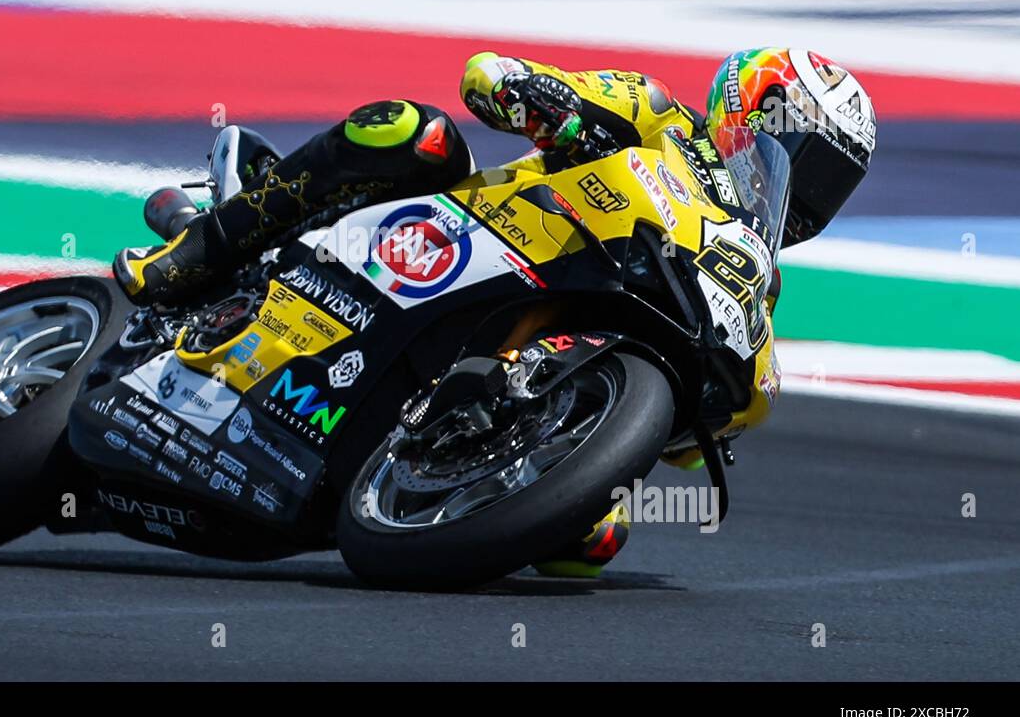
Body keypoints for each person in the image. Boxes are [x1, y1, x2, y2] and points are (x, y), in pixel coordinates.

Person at [113, 47, 878, 574]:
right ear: (755, 108)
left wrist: (690, 420)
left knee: (592, 545)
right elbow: (490, 76)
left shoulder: (749, 278)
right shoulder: (655, 116)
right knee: (414, 131)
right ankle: (197, 255)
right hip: (447, 239)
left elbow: (686, 443)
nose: (810, 189)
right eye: (803, 152)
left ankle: (448, 464)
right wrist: (542, 99)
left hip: (518, 351)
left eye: (832, 181)